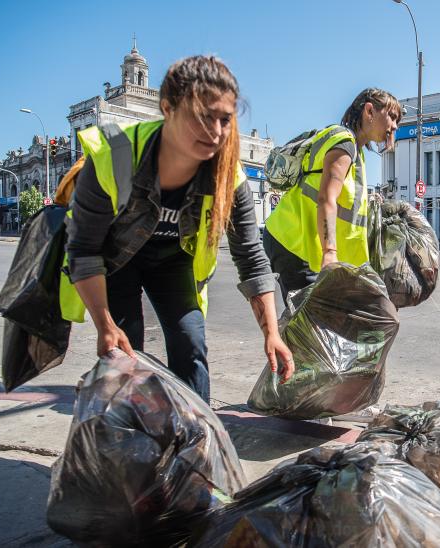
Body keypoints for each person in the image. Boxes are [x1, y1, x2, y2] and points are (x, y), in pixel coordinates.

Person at [63, 55, 293, 401]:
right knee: (126, 356)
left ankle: (197, 439)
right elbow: (83, 250)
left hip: (173, 259)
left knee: (190, 345)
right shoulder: (115, 156)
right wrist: (105, 325)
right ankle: (128, 438)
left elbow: (251, 257)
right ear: (168, 108)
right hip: (117, 260)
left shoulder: (228, 177)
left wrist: (272, 333)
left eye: (224, 120)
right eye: (202, 117)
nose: (215, 133)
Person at [263, 88, 402, 303]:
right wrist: (330, 252)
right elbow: (326, 198)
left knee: (318, 325)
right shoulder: (344, 143)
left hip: (302, 245)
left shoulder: (356, 152)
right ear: (369, 111)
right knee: (311, 327)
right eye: (392, 116)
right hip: (295, 243)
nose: (395, 126)